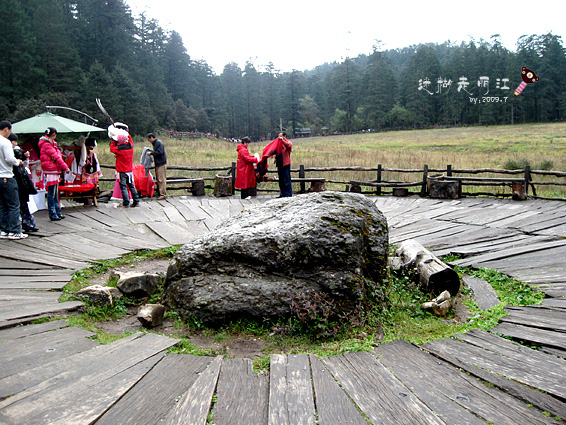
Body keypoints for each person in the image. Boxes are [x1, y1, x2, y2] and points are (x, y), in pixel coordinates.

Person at [0, 121, 27, 239]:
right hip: (7, 176)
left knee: (2, 205)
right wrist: (18, 162)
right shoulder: (5, 142)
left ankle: (4, 229)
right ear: (6, 129)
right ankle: (15, 231)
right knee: (13, 204)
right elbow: (10, 159)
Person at [38, 127, 70, 221]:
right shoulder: (48, 145)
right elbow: (56, 157)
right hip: (51, 170)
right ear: (53, 135)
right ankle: (53, 213)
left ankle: (57, 212)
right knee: (52, 193)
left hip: (53, 170)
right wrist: (65, 167)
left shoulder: (50, 144)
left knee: (55, 193)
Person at [10, 133, 38, 232]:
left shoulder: (16, 152)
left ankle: (27, 224)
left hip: (20, 182)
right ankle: (26, 224)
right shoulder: (13, 152)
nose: (16, 144)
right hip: (18, 181)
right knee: (19, 205)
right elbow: (17, 156)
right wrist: (23, 155)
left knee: (22, 205)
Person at [109, 122, 139, 208]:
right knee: (131, 186)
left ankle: (126, 203)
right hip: (129, 170)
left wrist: (113, 141)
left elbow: (112, 149)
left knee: (123, 187)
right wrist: (127, 134)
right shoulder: (131, 147)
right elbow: (131, 140)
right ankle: (136, 201)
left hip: (122, 171)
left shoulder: (118, 149)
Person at [146, 133, 167, 200]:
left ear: (152, 137)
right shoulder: (156, 143)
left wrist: (151, 153)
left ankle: (163, 194)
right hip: (159, 163)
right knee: (159, 179)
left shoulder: (158, 143)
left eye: (149, 139)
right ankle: (160, 193)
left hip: (161, 163)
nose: (149, 141)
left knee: (161, 179)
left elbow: (159, 152)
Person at [276, 132, 293, 197]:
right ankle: (282, 193)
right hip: (279, 164)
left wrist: (282, 140)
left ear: (284, 136)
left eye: (280, 136)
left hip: (285, 164)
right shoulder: (278, 144)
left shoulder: (288, 142)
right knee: (281, 180)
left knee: (287, 179)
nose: (279, 138)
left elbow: (289, 146)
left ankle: (288, 194)